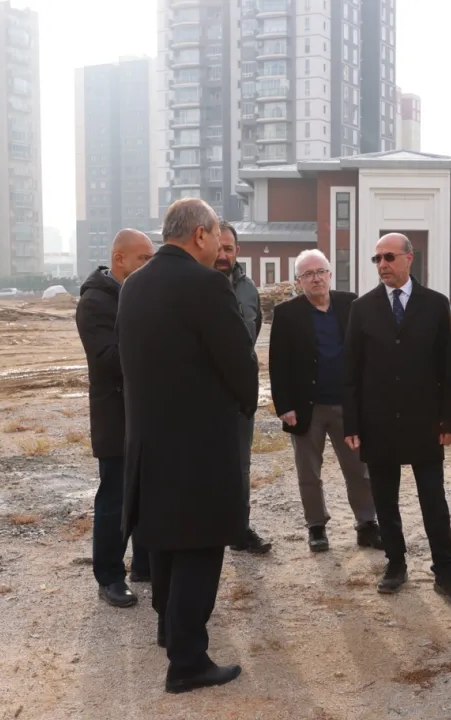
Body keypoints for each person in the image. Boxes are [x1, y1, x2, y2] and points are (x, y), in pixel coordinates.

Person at [118, 198, 258, 693]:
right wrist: (244, 403)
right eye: (218, 234)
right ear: (200, 234)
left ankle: (170, 632)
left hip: (149, 442)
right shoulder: (206, 285)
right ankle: (188, 662)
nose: (221, 244)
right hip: (199, 446)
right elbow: (239, 364)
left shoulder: (133, 286)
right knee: (200, 548)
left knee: (165, 544)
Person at [343, 233, 451, 604]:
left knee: (433, 500)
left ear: (409, 258)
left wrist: (449, 420)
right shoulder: (362, 308)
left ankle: (446, 572)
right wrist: (352, 424)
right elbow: (351, 372)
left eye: (389, 257)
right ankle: (395, 564)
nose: (382, 264)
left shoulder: (434, 304)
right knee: (385, 500)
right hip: (378, 423)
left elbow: (447, 367)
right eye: (377, 259)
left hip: (424, 422)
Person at [269, 249, 381, 552]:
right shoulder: (286, 313)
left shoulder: (350, 304)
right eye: (308, 274)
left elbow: (366, 352)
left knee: (359, 469)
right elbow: (278, 364)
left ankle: (367, 524)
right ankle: (316, 527)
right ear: (298, 281)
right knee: (309, 472)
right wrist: (284, 406)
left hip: (348, 405)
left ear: (330, 274)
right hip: (307, 408)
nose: (315, 278)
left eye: (320, 271)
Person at [75, 229, 156, 608]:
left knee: (148, 494)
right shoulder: (94, 302)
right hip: (115, 416)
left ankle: (144, 564)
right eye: (143, 259)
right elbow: (108, 359)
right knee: (115, 500)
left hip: (145, 412)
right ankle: (109, 575)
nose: (149, 266)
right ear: (119, 259)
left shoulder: (139, 293)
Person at [216, 221, 271, 555]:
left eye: (229, 248)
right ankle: (203, 533)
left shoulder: (249, 289)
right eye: (218, 248)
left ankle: (239, 530)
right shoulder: (194, 284)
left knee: (240, 465)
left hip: (239, 396)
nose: (223, 255)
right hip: (204, 394)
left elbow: (254, 331)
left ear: (237, 250)